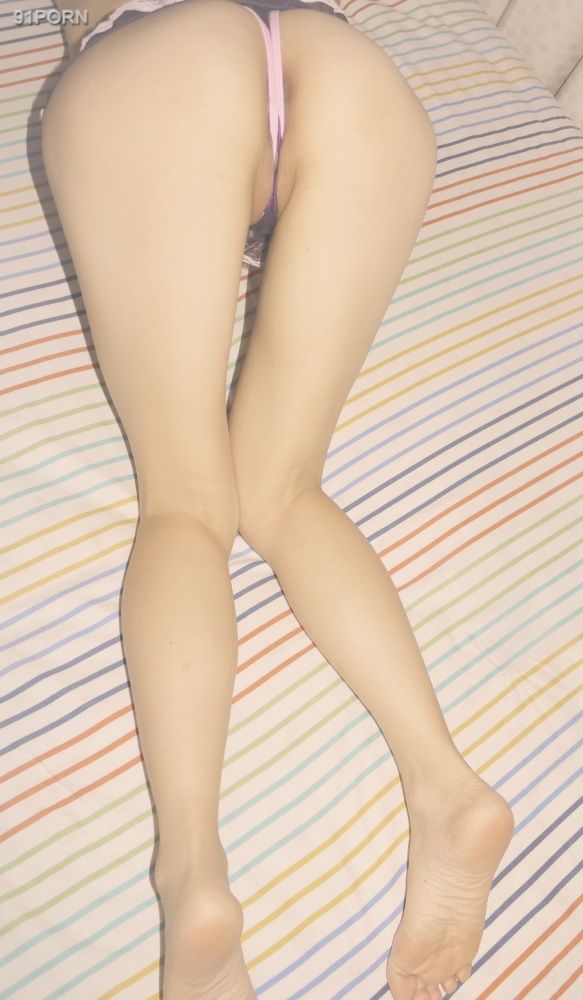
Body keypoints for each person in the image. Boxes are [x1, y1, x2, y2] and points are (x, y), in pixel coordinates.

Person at [40, 2, 515, 997]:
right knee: (284, 485)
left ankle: (193, 873)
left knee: (185, 501)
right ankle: (446, 786)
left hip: (162, 52)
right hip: (345, 65)